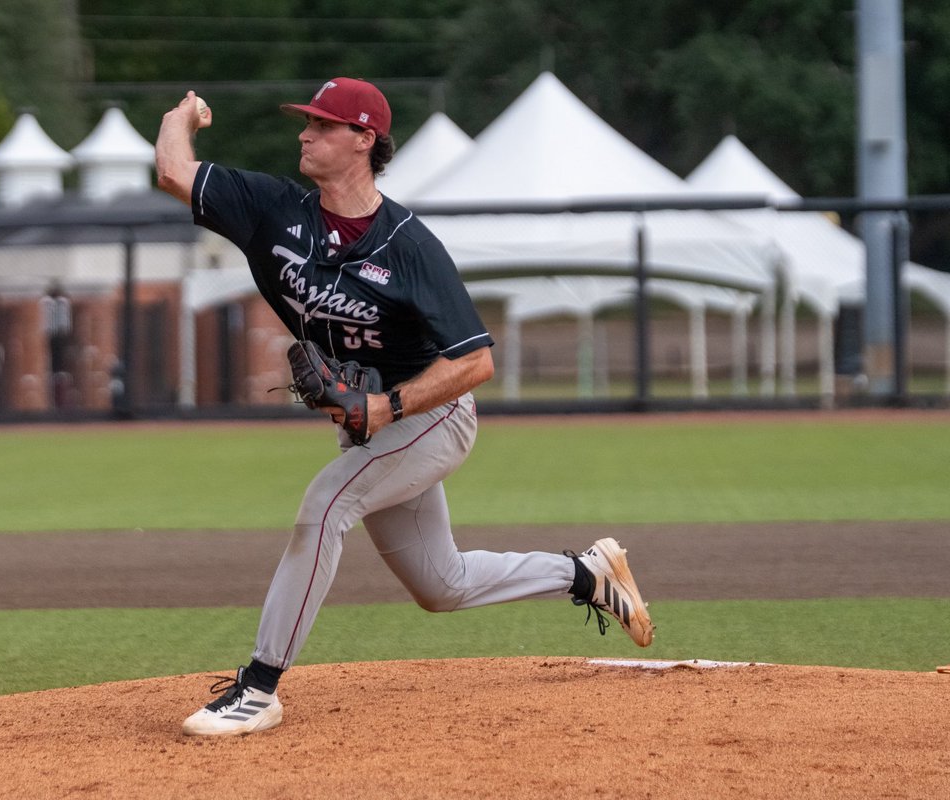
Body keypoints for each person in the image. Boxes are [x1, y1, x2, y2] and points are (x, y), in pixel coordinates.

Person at [155, 77, 654, 737]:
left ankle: (259, 687)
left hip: (431, 417)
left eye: (324, 125)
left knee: (326, 507)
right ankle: (586, 573)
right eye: (307, 122)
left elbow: (476, 362)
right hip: (374, 429)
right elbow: (171, 169)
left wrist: (388, 406)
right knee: (440, 585)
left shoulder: (410, 246)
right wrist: (181, 114)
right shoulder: (273, 209)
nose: (305, 133)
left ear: (365, 139)